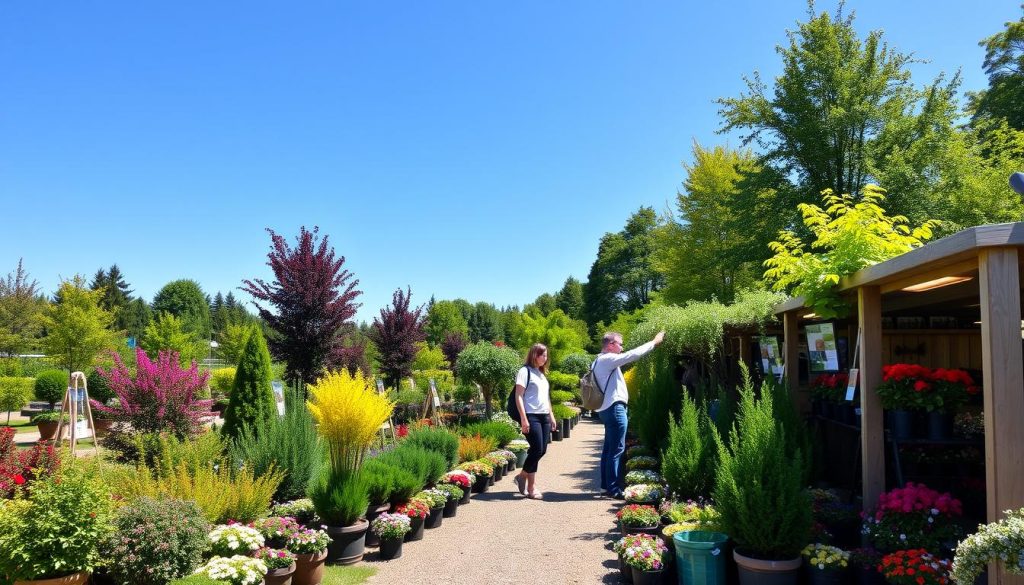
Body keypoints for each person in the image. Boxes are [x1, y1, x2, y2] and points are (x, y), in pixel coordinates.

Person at [594, 330, 665, 499]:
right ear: (611, 345)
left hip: (606, 409)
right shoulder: (608, 359)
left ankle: (605, 487)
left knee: (608, 449)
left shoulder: (598, 360)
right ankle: (613, 489)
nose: (623, 347)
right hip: (614, 408)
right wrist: (654, 342)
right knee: (617, 449)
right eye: (620, 343)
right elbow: (633, 355)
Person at [512, 343, 556, 500]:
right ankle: (531, 487)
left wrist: (551, 416)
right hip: (531, 415)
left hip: (544, 416)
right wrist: (524, 418)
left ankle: (522, 476)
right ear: (534, 355)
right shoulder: (524, 371)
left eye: (546, 355)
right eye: (542, 355)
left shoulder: (542, 374)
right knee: (536, 449)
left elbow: (546, 397)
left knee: (541, 450)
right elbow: (518, 396)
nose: (545, 358)